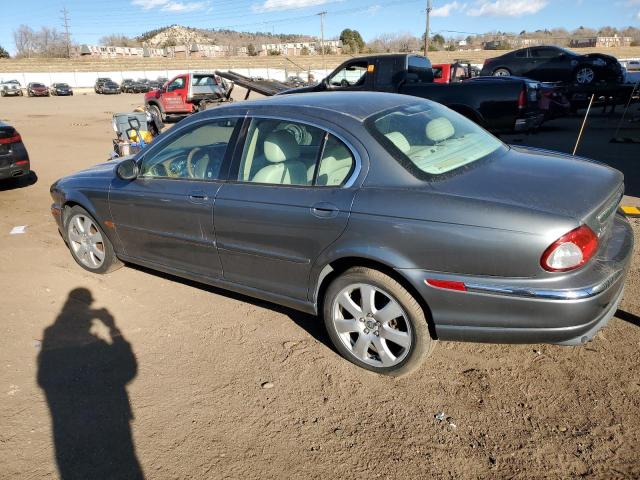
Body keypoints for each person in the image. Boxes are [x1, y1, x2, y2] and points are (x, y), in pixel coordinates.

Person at [37, 288, 143, 480]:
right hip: (105, 419)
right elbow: (129, 371)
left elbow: (43, 378)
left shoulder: (51, 334)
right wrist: (113, 329)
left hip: (69, 424)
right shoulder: (57, 337)